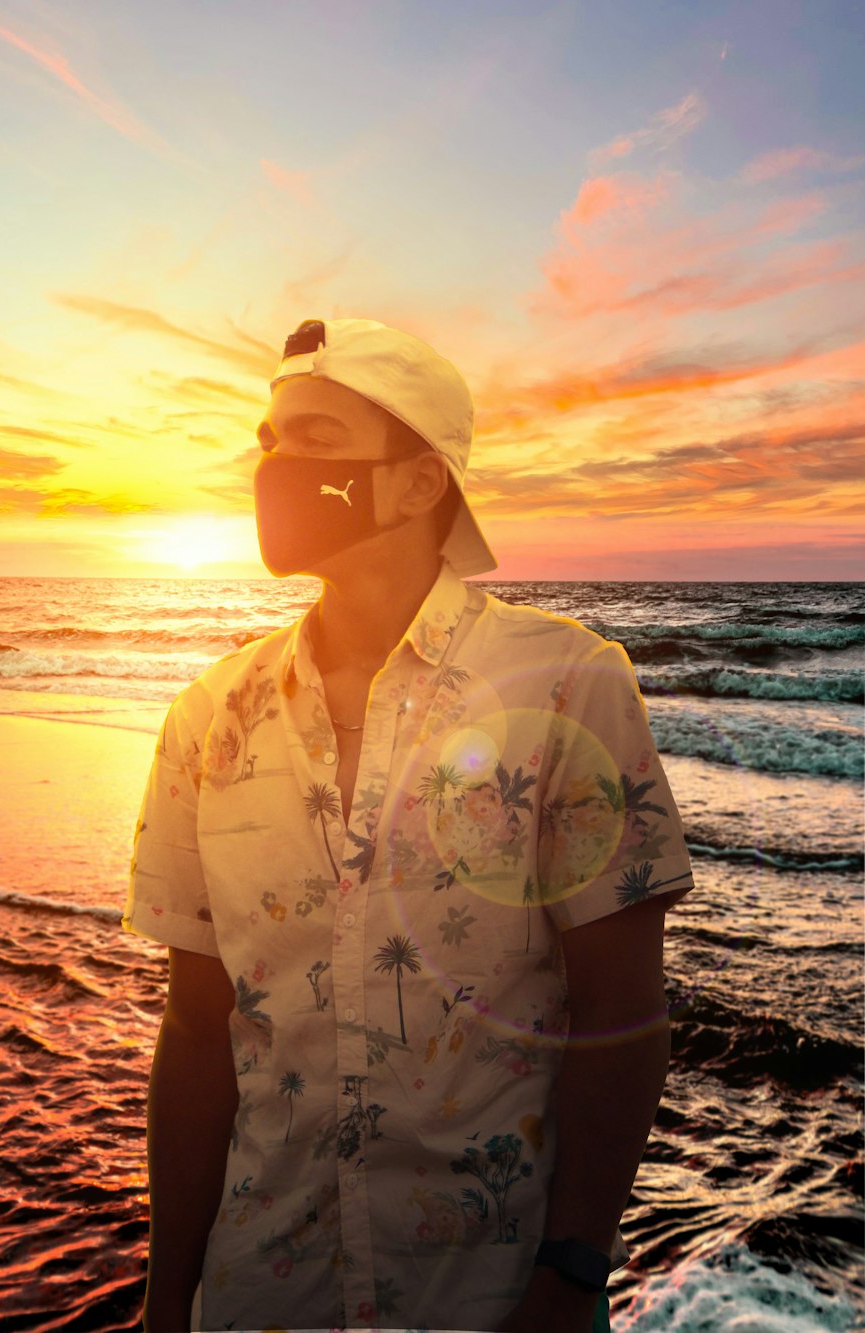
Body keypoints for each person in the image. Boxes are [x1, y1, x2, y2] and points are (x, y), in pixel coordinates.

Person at [123, 317, 695, 1333]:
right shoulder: (210, 715)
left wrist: (569, 1275)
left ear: (421, 482)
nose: (273, 467)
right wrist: (168, 1298)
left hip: (489, 1298)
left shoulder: (565, 686)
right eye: (267, 440)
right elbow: (195, 1027)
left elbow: (621, 1013)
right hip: (260, 1294)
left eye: (314, 441)